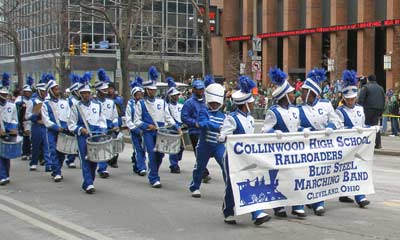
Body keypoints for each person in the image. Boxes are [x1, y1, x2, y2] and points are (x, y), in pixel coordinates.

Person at [218, 75, 271, 226]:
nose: (254, 103)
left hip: (247, 158)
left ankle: (256, 214)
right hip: (232, 158)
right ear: (245, 104)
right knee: (232, 186)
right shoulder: (232, 118)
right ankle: (228, 211)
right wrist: (225, 137)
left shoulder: (250, 118)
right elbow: (223, 136)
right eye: (251, 102)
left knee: (250, 182)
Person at [262, 67, 306, 218]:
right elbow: (264, 131)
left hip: (294, 149)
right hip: (279, 151)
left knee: (297, 176)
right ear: (284, 96)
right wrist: (274, 132)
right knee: (279, 179)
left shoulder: (295, 110)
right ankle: (278, 207)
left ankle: (297, 205)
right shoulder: (273, 111)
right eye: (291, 93)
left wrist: (302, 131)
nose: (294, 95)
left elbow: (297, 126)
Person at [298, 68, 343, 216]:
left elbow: (336, 120)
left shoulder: (326, 104)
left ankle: (319, 203)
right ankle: (306, 200)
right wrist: (300, 130)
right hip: (305, 147)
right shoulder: (298, 108)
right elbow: (293, 126)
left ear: (312, 92)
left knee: (320, 174)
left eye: (304, 91)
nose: (301, 93)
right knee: (305, 175)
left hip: (323, 147)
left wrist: (330, 127)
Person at [134, 66, 179, 188]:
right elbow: (136, 121)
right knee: (152, 153)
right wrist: (146, 125)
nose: (153, 92)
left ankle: (153, 170)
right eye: (151, 90)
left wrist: (175, 126)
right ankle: (154, 177)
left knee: (161, 154)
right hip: (148, 132)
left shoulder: (161, 102)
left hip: (161, 131)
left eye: (154, 90)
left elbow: (167, 116)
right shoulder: (140, 103)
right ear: (146, 90)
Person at [335, 70, 370, 208]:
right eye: (348, 98)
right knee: (346, 171)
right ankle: (350, 195)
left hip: (359, 146)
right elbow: (339, 129)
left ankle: (359, 196)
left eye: (353, 98)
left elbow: (362, 124)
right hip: (346, 146)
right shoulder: (340, 111)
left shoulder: (360, 109)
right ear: (344, 98)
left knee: (357, 170)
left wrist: (371, 128)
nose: (351, 101)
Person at [68, 73, 107, 194]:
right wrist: (80, 130)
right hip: (83, 136)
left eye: (88, 93)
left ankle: (89, 182)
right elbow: (71, 124)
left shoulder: (97, 105)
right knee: (85, 159)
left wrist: (102, 131)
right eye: (84, 93)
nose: (86, 95)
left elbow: (102, 121)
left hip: (95, 136)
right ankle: (89, 182)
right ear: (80, 94)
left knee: (94, 159)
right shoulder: (75, 107)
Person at [189, 76, 226, 198]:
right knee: (200, 166)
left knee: (225, 165)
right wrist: (218, 128)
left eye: (216, 103)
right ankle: (195, 186)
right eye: (212, 103)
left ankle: (229, 188)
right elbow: (204, 124)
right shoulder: (203, 112)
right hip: (204, 144)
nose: (214, 105)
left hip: (218, 146)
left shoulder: (223, 116)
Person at [41, 74, 70, 182]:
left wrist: (66, 127)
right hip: (52, 131)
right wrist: (57, 128)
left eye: (58, 89)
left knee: (62, 153)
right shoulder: (45, 104)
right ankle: (57, 172)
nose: (58, 91)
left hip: (63, 131)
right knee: (53, 151)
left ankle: (56, 169)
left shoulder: (64, 102)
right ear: (50, 91)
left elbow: (68, 115)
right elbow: (46, 120)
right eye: (55, 89)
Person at [181, 79, 211, 182]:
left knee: (206, 152)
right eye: (199, 89)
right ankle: (203, 172)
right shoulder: (189, 103)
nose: (201, 91)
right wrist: (195, 123)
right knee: (199, 152)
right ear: (193, 90)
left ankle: (200, 169)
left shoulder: (205, 101)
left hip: (205, 130)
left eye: (202, 89)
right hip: (195, 131)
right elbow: (184, 117)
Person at [94, 69, 119, 179]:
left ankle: (103, 167)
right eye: (103, 90)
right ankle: (102, 168)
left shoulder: (111, 102)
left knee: (107, 148)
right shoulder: (93, 102)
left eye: (106, 89)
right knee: (100, 148)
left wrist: (116, 124)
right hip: (97, 128)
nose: (106, 91)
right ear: (98, 91)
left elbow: (114, 116)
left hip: (109, 128)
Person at [25, 73, 52, 172]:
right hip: (36, 126)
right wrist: (36, 116)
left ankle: (48, 164)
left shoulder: (48, 100)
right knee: (36, 146)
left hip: (46, 125)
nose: (45, 93)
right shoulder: (32, 101)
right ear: (39, 90)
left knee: (47, 145)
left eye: (46, 91)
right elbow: (27, 116)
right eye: (43, 91)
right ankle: (33, 162)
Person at [0, 72, 18, 185]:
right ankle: (2, 175)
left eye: (6, 94)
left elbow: (15, 119)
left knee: (7, 155)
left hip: (9, 131)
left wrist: (13, 128)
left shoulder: (12, 105)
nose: (4, 97)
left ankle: (6, 175)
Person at [126, 76, 146, 176]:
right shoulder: (130, 104)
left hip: (145, 130)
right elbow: (128, 120)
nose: (139, 95)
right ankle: (142, 167)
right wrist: (136, 129)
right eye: (137, 94)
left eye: (140, 94)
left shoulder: (144, 103)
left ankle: (137, 165)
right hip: (135, 131)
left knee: (143, 149)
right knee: (138, 149)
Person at [358, 74, 385, 148]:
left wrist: (359, 108)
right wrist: (381, 111)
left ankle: (367, 144)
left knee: (366, 126)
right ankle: (378, 144)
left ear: (368, 80)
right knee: (376, 126)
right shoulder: (381, 88)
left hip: (368, 109)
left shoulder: (366, 87)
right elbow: (383, 99)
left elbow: (361, 99)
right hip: (378, 110)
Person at [166, 77, 184, 173]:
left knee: (181, 147)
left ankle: (176, 160)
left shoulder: (181, 105)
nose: (176, 97)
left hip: (181, 128)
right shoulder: (167, 106)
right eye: (174, 95)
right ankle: (174, 165)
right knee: (174, 147)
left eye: (177, 95)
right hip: (172, 129)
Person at [65, 73, 81, 169]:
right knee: (73, 143)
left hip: (81, 123)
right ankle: (70, 159)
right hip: (73, 123)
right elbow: (67, 113)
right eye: (78, 90)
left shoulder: (81, 100)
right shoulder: (70, 100)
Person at [15, 76, 34, 161]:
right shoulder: (19, 99)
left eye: (29, 92)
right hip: (22, 120)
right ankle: (24, 152)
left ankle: (29, 152)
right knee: (25, 137)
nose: (28, 93)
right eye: (27, 92)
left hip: (29, 120)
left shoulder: (32, 100)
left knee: (29, 137)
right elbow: (17, 107)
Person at [108, 81, 124, 168]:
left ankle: (114, 160)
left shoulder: (119, 99)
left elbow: (122, 111)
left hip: (118, 123)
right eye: (108, 89)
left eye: (111, 89)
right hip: (108, 124)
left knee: (116, 142)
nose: (110, 90)